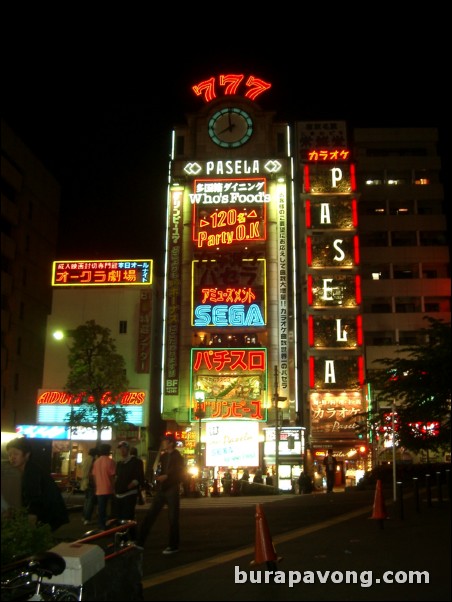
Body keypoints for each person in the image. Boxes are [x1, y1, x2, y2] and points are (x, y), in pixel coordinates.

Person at [135, 434, 184, 554]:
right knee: (150, 515)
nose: (163, 443)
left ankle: (173, 546)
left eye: (165, 441)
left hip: (172, 488)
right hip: (163, 488)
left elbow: (178, 472)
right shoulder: (163, 456)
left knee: (172, 518)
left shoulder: (177, 456)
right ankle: (140, 542)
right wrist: (159, 477)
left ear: (171, 443)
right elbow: (161, 469)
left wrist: (166, 476)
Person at [6, 437, 69, 531]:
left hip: (50, 515)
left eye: (16, 454)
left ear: (27, 455)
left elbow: (34, 499)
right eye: (10, 454)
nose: (12, 457)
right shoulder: (26, 469)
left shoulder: (32, 472)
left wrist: (30, 525)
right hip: (50, 513)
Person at [114, 441, 144, 537]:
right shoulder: (119, 463)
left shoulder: (136, 462)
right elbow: (117, 477)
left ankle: (131, 537)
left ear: (128, 450)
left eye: (124, 448)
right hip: (119, 493)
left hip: (129, 493)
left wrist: (129, 486)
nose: (122, 450)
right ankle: (121, 537)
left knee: (128, 517)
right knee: (119, 517)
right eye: (120, 449)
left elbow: (139, 477)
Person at [91, 443, 116, 529]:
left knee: (101, 508)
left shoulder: (96, 462)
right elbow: (113, 476)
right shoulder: (111, 461)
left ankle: (101, 525)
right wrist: (114, 488)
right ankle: (108, 524)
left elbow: (93, 475)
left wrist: (97, 485)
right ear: (108, 451)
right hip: (109, 488)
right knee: (110, 508)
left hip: (99, 489)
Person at [80, 447, 98, 525]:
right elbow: (92, 473)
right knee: (90, 500)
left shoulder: (85, 459)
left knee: (86, 500)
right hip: (89, 482)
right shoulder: (93, 460)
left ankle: (84, 516)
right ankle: (87, 518)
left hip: (83, 481)